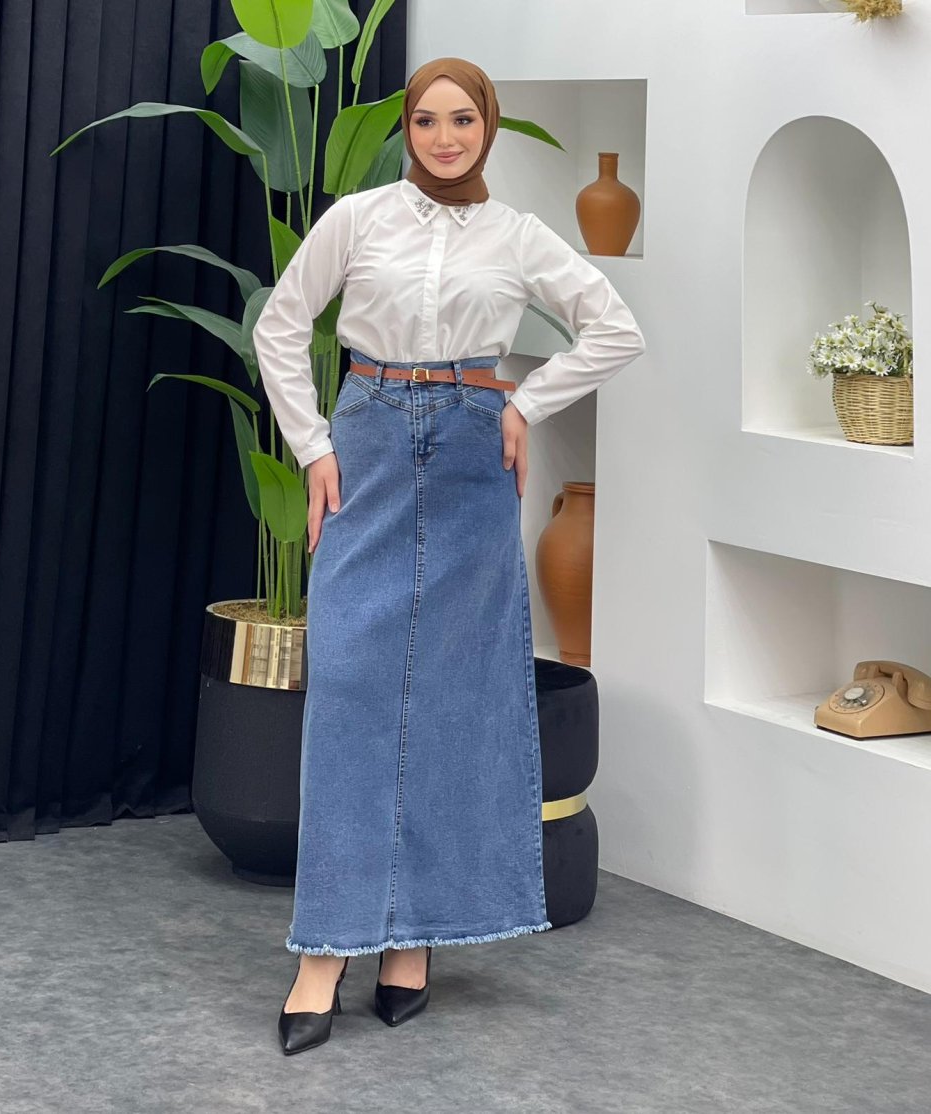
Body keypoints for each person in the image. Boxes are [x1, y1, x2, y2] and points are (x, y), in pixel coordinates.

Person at [252, 56, 646, 1056]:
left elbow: (616, 328)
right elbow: (281, 325)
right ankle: (323, 951)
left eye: (461, 118)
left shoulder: (517, 235)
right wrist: (313, 447)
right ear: (408, 129)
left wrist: (525, 402)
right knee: (349, 693)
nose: (442, 136)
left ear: (487, 126)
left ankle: (412, 941)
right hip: (369, 438)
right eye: (425, 119)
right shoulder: (357, 219)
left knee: (450, 699)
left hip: (473, 448)